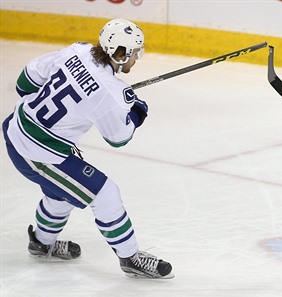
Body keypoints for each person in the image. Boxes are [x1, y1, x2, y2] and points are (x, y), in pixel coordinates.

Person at [2, 19, 173, 279]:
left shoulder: (78, 50)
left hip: (15, 127)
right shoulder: (111, 91)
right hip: (37, 153)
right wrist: (138, 111)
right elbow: (118, 137)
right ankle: (130, 257)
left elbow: (25, 81)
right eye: (135, 52)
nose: (137, 58)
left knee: (61, 193)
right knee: (106, 194)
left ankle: (41, 242)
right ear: (120, 53)